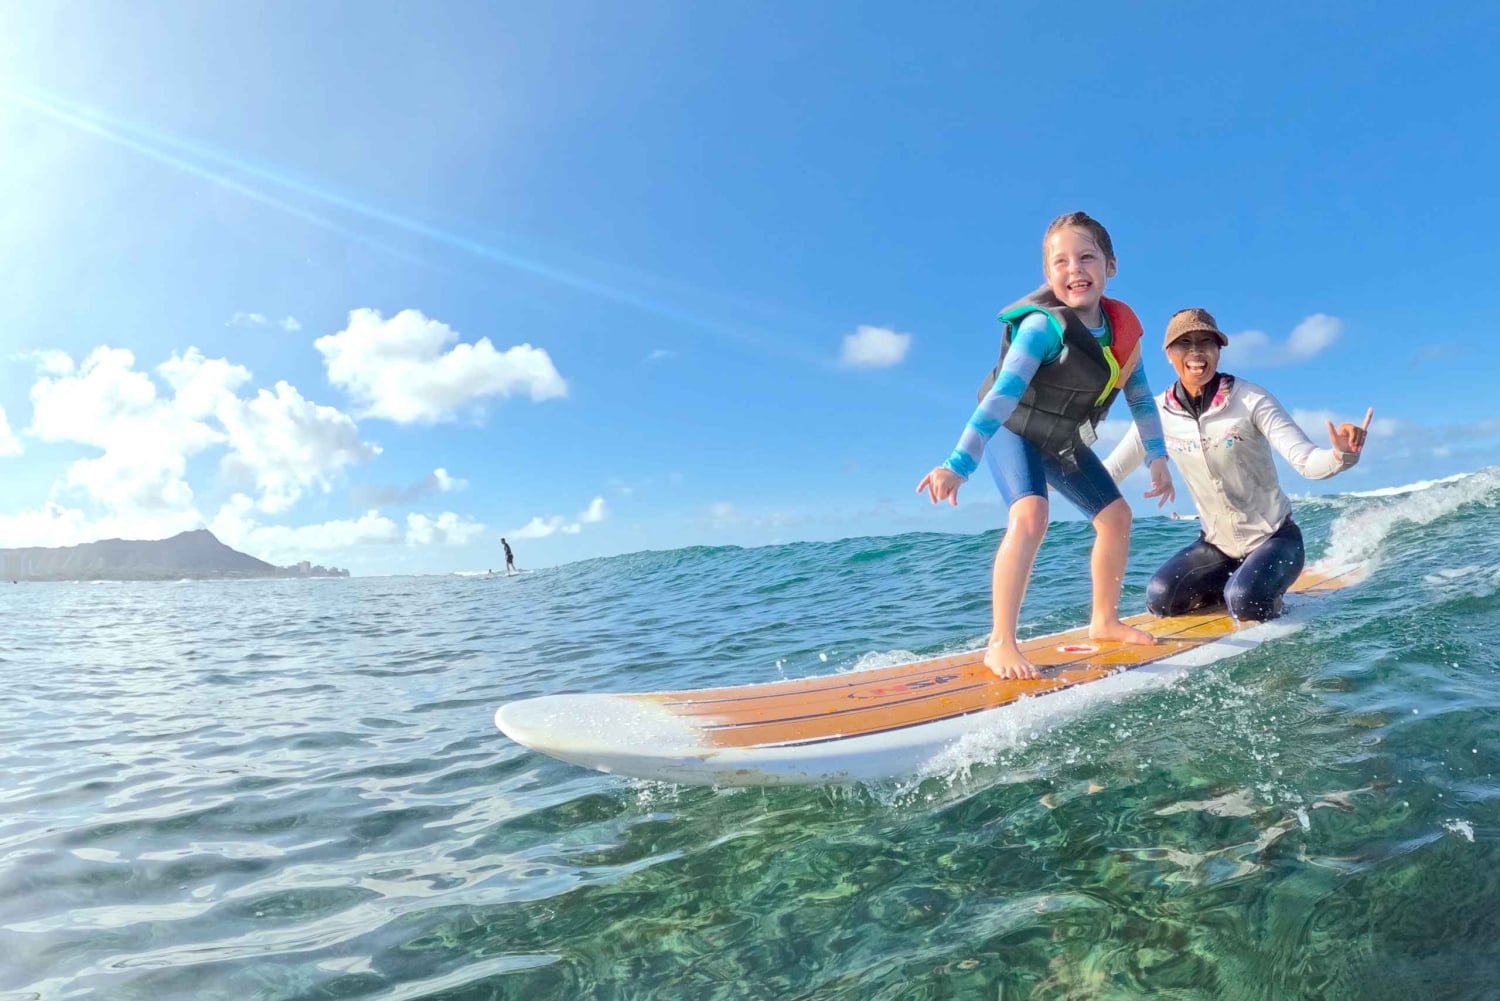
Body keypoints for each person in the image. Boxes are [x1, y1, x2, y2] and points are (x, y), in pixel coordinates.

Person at [917, 211, 1174, 680]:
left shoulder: (1124, 335)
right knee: (1031, 515)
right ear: (1047, 274)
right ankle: (1000, 643)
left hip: (1062, 439)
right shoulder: (1042, 328)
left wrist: (1157, 457)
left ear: (1110, 266)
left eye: (1086, 257)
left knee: (1116, 518)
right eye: (1060, 262)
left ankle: (1104, 620)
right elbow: (1001, 399)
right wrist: (958, 463)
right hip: (1014, 429)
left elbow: (1139, 397)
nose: (1074, 270)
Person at [1104, 307, 1372, 623]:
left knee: (1245, 601)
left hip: (1275, 539)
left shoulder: (1250, 399)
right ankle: (1239, 585)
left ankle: (1254, 594)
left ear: (1219, 350)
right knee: (1162, 598)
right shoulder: (1157, 414)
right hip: (1217, 548)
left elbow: (1307, 462)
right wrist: (1046, 474)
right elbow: (1111, 470)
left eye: (1206, 342)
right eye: (1184, 343)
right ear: (1168, 353)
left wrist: (1341, 454)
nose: (1195, 352)